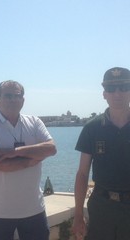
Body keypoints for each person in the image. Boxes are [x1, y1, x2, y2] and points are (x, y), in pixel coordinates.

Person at [0, 80, 57, 240]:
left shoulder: (34, 123)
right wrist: (30, 160)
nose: (13, 100)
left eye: (17, 96)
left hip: (33, 208)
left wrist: (13, 152)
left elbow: (51, 149)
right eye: (7, 96)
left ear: (23, 100)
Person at [73, 67, 130, 240]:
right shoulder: (92, 128)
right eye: (111, 89)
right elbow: (82, 174)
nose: (117, 93)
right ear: (104, 93)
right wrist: (77, 214)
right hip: (102, 207)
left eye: (124, 87)